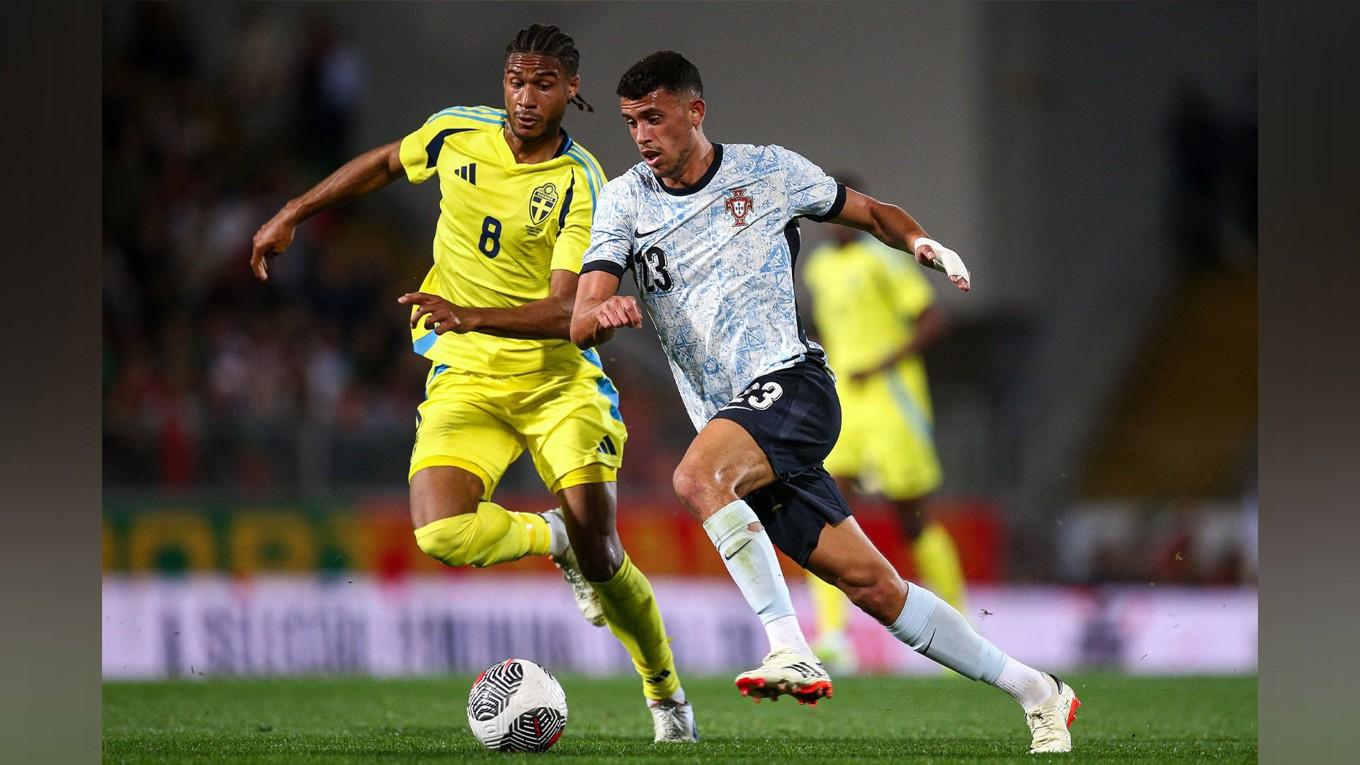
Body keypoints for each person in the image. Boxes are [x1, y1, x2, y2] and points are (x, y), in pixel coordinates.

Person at [569, 50, 1078, 754]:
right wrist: (601, 313)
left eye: (654, 118)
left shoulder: (768, 171)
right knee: (876, 588)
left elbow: (871, 212)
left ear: (695, 111)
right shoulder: (626, 199)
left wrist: (921, 241)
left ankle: (789, 645)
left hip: (794, 387)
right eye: (630, 123)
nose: (642, 136)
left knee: (694, 477)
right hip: (742, 426)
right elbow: (581, 309)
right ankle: (1039, 691)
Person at [249, 26, 697, 743]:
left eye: (544, 83)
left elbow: (566, 311)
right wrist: (292, 213)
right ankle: (551, 535)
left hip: (558, 383)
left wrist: (470, 313)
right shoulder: (456, 132)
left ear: (571, 90)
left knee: (605, 556)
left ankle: (666, 692)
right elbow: (384, 164)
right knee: (442, 531)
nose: (526, 97)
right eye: (517, 81)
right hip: (466, 378)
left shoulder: (581, 183)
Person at [801, 178, 969, 674]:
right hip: (843, 403)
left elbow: (933, 321)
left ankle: (960, 627)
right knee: (822, 507)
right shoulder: (820, 268)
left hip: (893, 402)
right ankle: (833, 634)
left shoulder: (885, 261)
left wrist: (879, 363)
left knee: (910, 517)